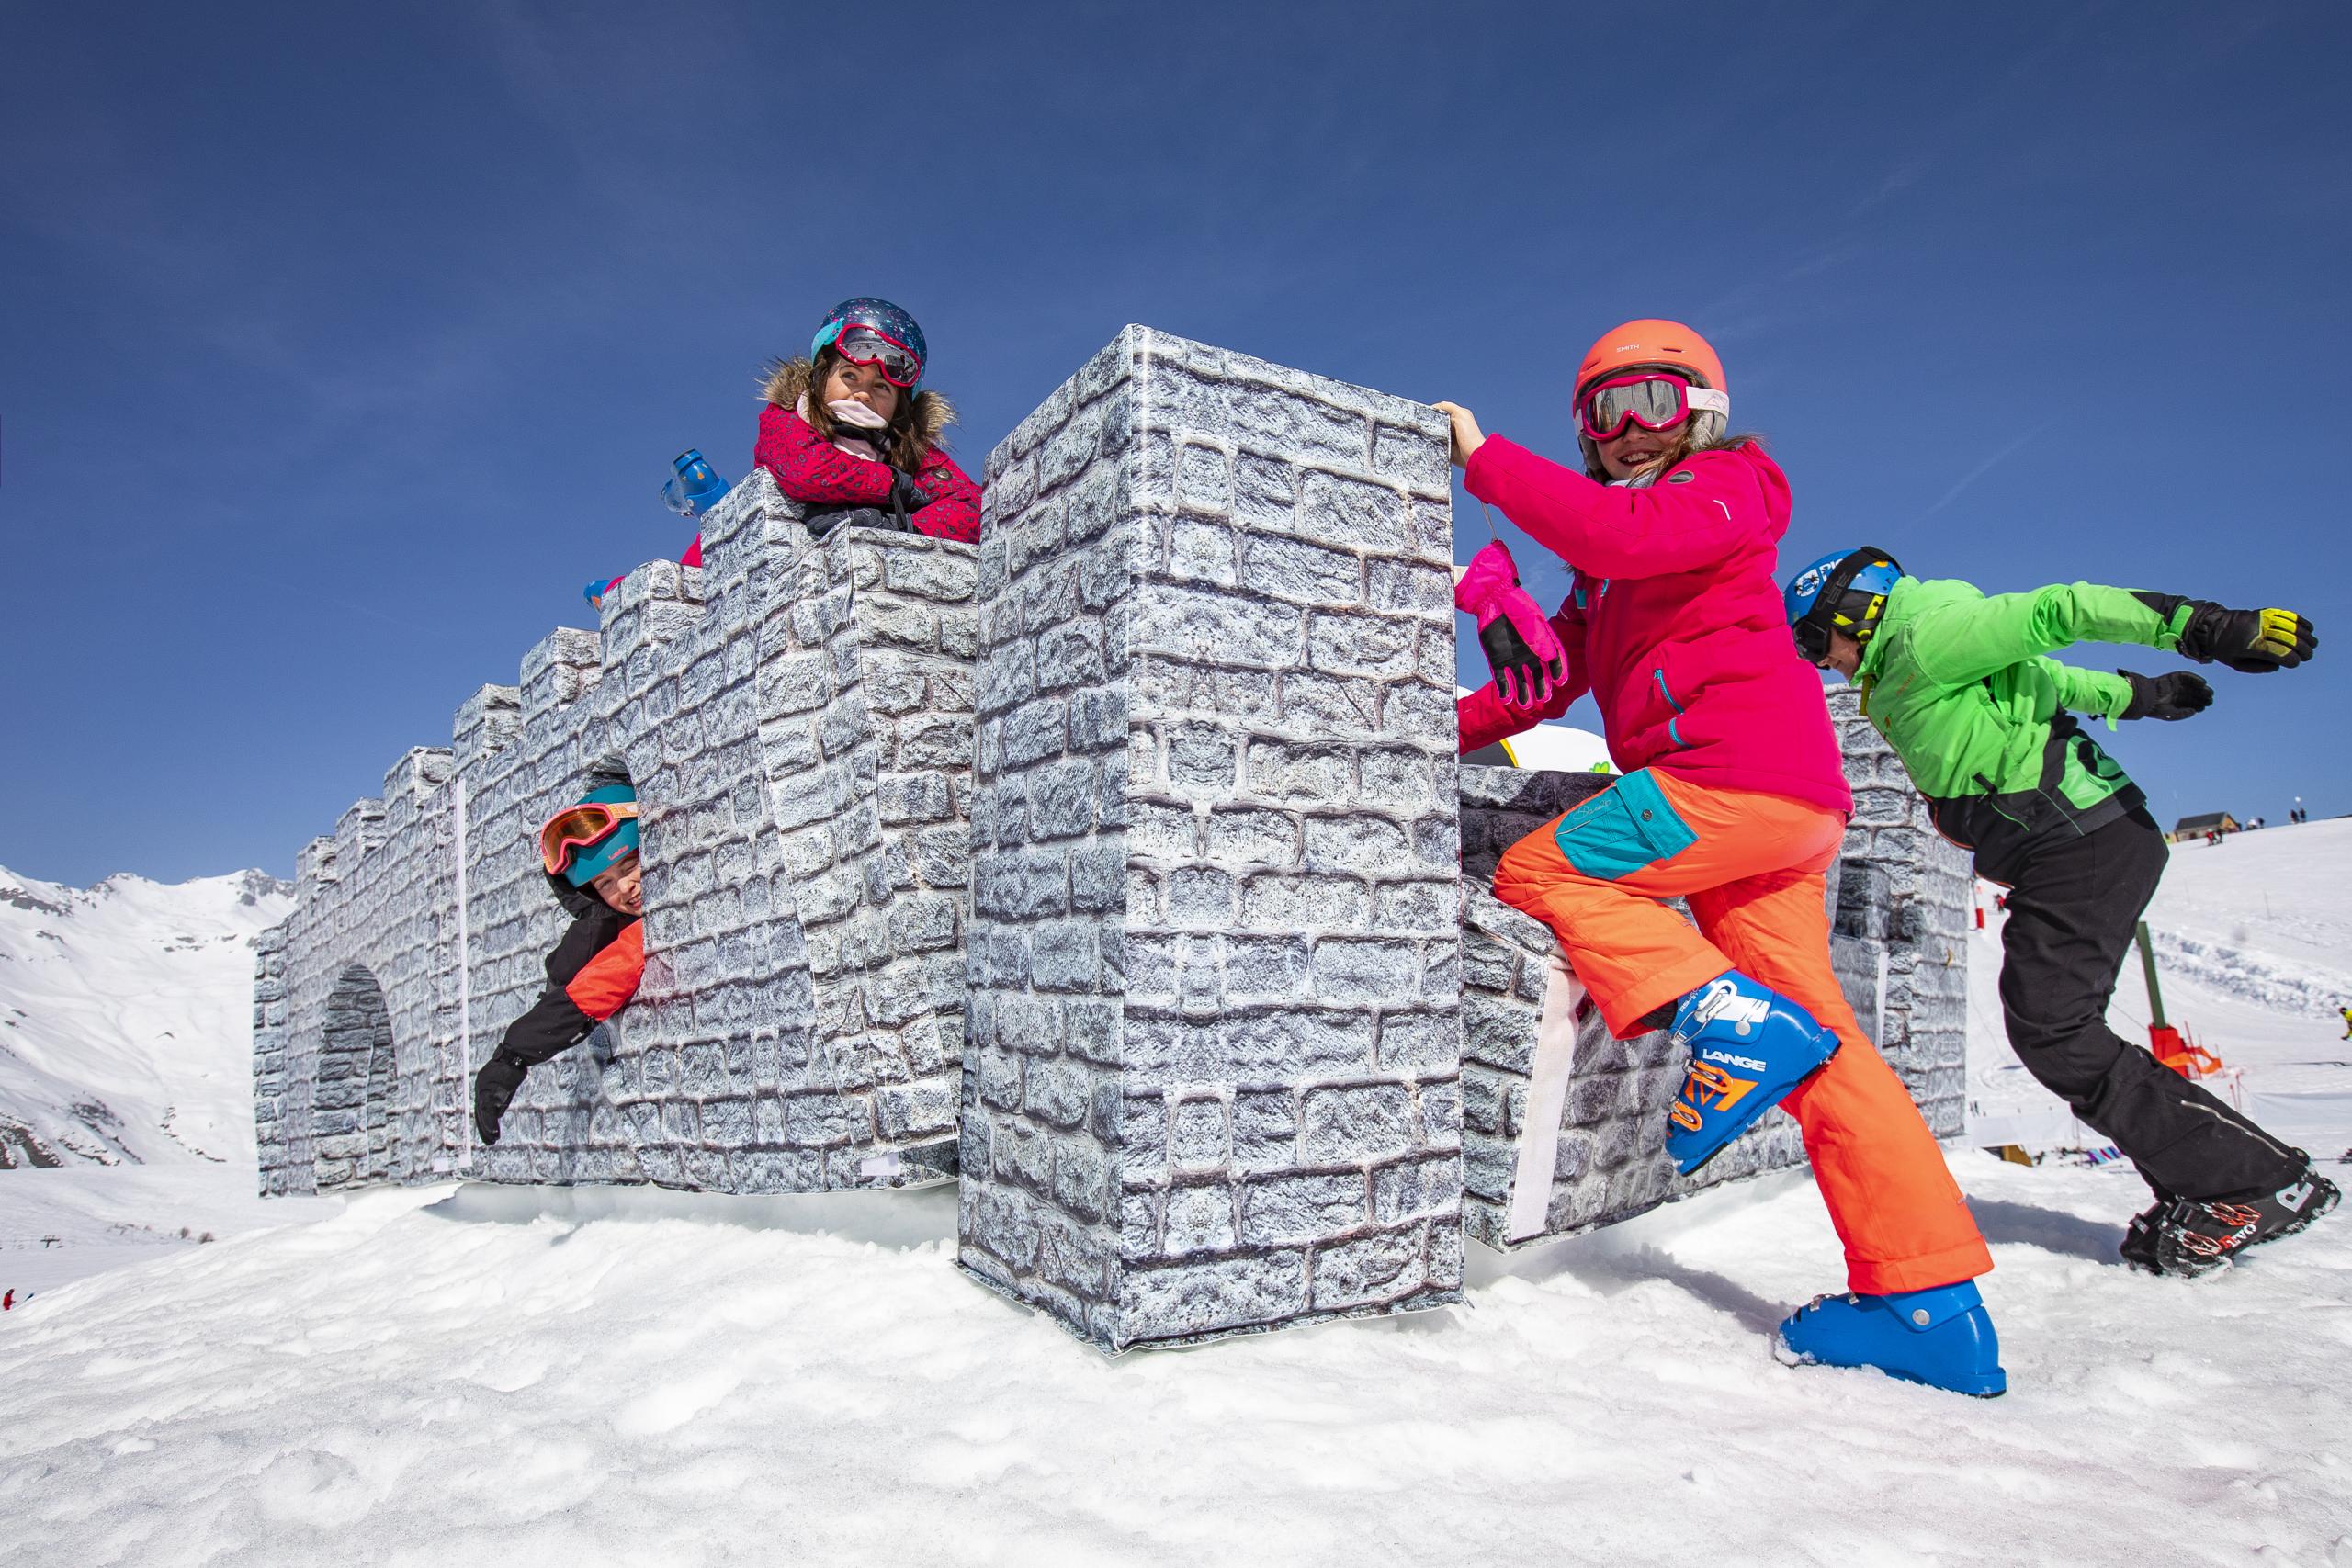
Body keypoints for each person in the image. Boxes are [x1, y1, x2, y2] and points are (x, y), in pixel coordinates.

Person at [1436, 320, 2002, 1396]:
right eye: (1605, 414)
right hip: (1768, 820)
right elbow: (1542, 686)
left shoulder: (1734, 490)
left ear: (1703, 411)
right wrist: (1424, 729)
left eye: (1653, 400)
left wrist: (1484, 463)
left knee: (1543, 872)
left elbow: (1618, 534)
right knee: (1827, 1048)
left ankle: (1725, 1021)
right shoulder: (1604, 583)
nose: (1629, 431)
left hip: (1728, 781)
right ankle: (1925, 1301)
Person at [1787, 547, 2337, 1275]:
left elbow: (2061, 609)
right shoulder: (1905, 665)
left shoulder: (1928, 636)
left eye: (1814, 640)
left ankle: (2255, 1184)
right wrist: (2140, 696)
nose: (1819, 660)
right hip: (2075, 842)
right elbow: (2047, 678)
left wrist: (2207, 629)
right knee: (2050, 1023)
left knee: (2052, 1025)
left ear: (1857, 611)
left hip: (2081, 838)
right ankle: (2214, 1182)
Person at [472, 784, 647, 1146]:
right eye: (605, 883)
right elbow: (568, 977)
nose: (626, 887)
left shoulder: (647, 929)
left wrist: (513, 1055)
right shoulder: (602, 927)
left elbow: (603, 982)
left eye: (630, 865)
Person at [747, 297, 981, 546]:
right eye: (850, 375)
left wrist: (904, 528)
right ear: (821, 377)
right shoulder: (789, 416)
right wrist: (893, 486)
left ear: (899, 405)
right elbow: (807, 469)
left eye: (881, 387)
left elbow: (973, 505)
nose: (863, 394)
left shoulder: (908, 449)